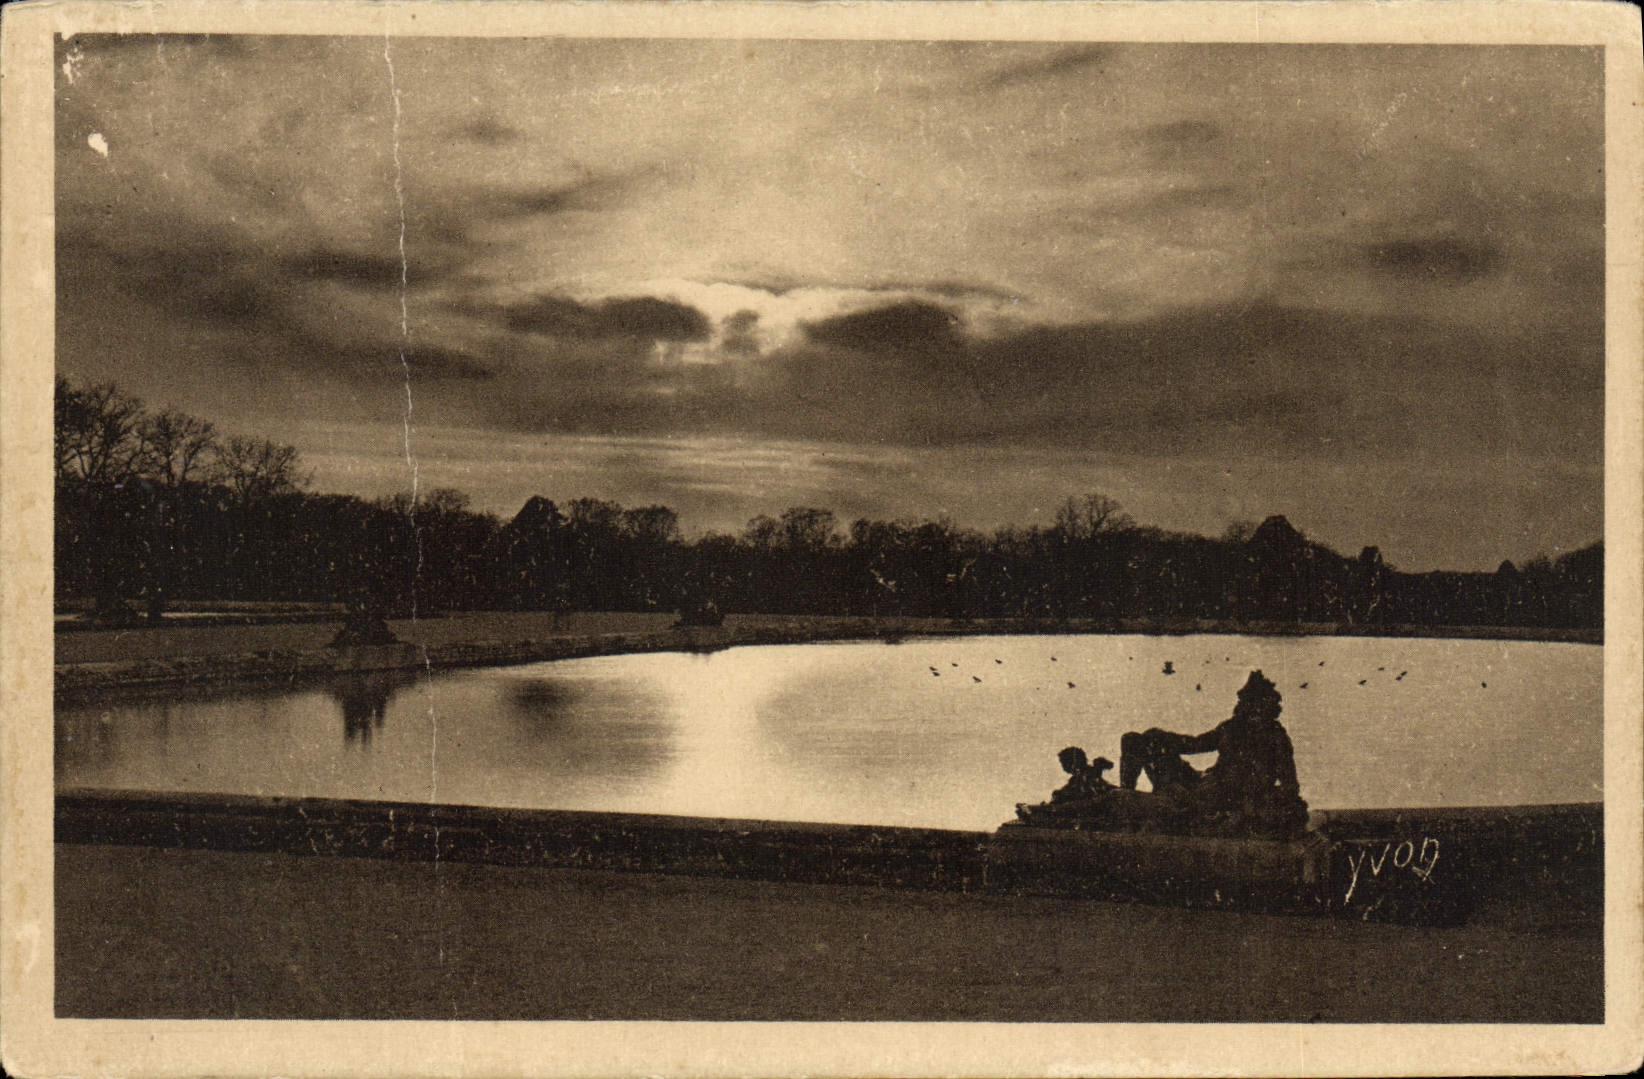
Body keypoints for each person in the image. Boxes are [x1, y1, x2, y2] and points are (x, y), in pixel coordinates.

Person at [1116, 669, 1308, 838]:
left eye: (1253, 706)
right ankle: (1126, 799)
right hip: (1206, 785)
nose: (1250, 712)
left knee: (1181, 788)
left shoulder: (1276, 738)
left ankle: (1128, 808)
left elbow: (1289, 784)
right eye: (1246, 705)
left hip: (1220, 797)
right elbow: (1195, 744)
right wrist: (1163, 737)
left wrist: (1261, 805)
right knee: (1133, 739)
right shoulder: (1232, 728)